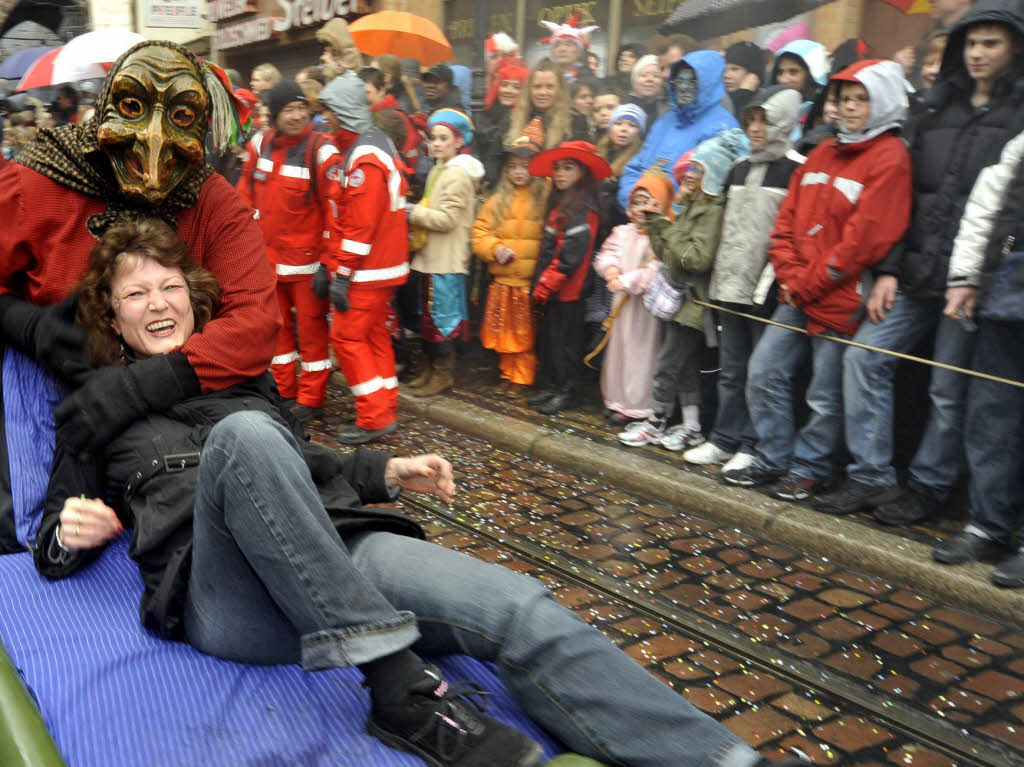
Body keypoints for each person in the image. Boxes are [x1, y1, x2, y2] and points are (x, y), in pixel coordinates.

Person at [29, 214, 800, 767]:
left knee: (519, 605)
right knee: (245, 439)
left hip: (338, 545)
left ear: (196, 299)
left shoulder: (243, 381)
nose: (159, 303)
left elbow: (302, 463)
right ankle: (398, 685)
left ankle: (720, 756)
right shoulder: (94, 410)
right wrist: (74, 529)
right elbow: (48, 546)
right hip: (223, 594)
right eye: (136, 295)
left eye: (170, 286)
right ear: (113, 315)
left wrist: (382, 472)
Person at [0, 41, 277, 554]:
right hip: (57, 417)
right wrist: (27, 325)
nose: (152, 141)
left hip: (187, 418)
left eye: (179, 116)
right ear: (107, 107)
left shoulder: (212, 200)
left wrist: (143, 385)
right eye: (132, 108)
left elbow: (256, 321)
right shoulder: (35, 184)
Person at [817, 2, 1024, 520]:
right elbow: (903, 198)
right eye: (971, 42)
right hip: (914, 270)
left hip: (972, 278)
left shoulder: (1019, 113)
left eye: (991, 43)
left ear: (1014, 47)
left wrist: (978, 277)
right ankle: (872, 476)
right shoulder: (934, 108)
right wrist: (888, 268)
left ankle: (930, 485)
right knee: (865, 357)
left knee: (947, 388)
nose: (978, 53)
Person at [727, 59, 913, 502]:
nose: (849, 108)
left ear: (881, 101)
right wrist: (791, 275)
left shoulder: (891, 157)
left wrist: (806, 282)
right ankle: (773, 457)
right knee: (763, 372)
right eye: (844, 99)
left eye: (860, 99)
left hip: (840, 294)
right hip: (799, 289)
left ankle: (811, 468)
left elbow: (863, 240)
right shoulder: (823, 150)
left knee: (824, 394)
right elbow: (786, 221)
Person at [682, 87, 804, 473]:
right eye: (751, 119)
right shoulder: (738, 169)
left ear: (782, 122)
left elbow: (788, 233)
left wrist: (769, 283)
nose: (755, 128)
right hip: (730, 286)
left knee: (759, 372)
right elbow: (729, 231)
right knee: (731, 369)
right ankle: (724, 438)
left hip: (764, 290)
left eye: (765, 120)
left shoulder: (793, 171)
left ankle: (753, 444)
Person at [934, 126, 1024, 581]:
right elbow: (986, 209)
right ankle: (988, 524)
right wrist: (966, 276)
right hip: (1009, 291)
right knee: (991, 415)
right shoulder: (1020, 146)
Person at [621, 130, 747, 450]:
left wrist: (670, 233)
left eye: (698, 170)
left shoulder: (712, 211)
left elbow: (696, 258)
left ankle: (656, 420)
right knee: (685, 366)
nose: (690, 175)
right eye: (691, 168)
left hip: (694, 301)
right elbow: (669, 254)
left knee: (668, 363)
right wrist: (658, 226)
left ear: (713, 175)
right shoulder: (692, 205)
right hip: (680, 298)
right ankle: (691, 426)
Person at [236, 80, 341, 424]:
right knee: (276, 330)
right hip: (268, 263)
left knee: (312, 336)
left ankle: (312, 398)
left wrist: (328, 264)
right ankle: (284, 392)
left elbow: (335, 211)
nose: (297, 116)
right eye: (289, 110)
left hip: (307, 266)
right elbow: (244, 197)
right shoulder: (258, 145)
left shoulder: (322, 151)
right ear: (276, 114)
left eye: (301, 109)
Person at [318, 83, 412, 444]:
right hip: (379, 268)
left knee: (346, 337)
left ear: (343, 111)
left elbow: (360, 226)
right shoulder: (369, 149)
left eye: (330, 110)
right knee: (373, 336)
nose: (325, 117)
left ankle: (374, 416)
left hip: (367, 270)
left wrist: (342, 274)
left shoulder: (364, 158)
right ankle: (384, 402)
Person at [526, 141, 608, 415]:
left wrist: (546, 284)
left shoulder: (584, 209)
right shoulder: (560, 203)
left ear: (582, 172)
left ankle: (567, 391)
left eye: (567, 168)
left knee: (567, 342)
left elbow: (571, 257)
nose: (559, 173)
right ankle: (553, 385)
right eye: (557, 168)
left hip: (569, 291)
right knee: (550, 339)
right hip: (552, 289)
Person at [406, 109, 484, 397]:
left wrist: (413, 213)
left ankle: (443, 374)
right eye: (433, 138)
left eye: (443, 138)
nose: (436, 144)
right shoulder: (439, 170)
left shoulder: (458, 175)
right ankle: (429, 368)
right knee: (428, 317)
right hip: (431, 258)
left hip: (446, 260)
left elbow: (448, 219)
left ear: (458, 141)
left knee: (443, 319)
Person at [594, 172, 672, 425]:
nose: (642, 209)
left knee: (642, 354)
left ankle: (639, 405)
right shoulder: (621, 232)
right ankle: (617, 400)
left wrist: (626, 282)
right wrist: (611, 270)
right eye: (637, 203)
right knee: (620, 351)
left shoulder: (661, 237)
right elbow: (608, 254)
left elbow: (655, 271)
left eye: (650, 203)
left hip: (646, 309)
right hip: (622, 306)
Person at [619, 50, 738, 213]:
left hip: (678, 228)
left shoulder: (723, 127)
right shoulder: (666, 121)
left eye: (692, 82)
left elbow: (707, 188)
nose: (683, 87)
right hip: (643, 219)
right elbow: (635, 168)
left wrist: (662, 210)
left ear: (707, 84)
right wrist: (632, 201)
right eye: (679, 81)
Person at [471, 137, 546, 392]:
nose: (518, 172)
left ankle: (522, 377)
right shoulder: (497, 200)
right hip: (502, 280)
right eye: (513, 166)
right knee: (502, 330)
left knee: (523, 333)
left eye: (525, 166)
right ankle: (507, 373)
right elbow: (479, 233)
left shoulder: (543, 198)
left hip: (526, 281)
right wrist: (495, 249)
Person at [505, 58, 591, 150]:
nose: (543, 92)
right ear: (529, 89)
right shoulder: (512, 118)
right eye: (537, 87)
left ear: (560, 89)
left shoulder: (576, 120)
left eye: (550, 87)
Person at [477, 57, 530, 182]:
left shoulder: (526, 120)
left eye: (516, 87)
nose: (508, 91)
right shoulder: (486, 114)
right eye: (504, 84)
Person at [597, 103, 646, 233]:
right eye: (618, 123)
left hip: (616, 227)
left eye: (632, 125)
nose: (624, 129)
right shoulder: (598, 153)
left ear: (639, 132)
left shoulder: (639, 163)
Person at [768, 40, 830, 139]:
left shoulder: (826, 113)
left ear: (811, 75)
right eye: (780, 72)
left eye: (793, 72)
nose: (784, 79)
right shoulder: (769, 106)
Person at [540, 9, 598, 83]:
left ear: (577, 50)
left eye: (568, 45)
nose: (562, 49)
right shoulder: (544, 79)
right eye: (557, 45)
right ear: (553, 51)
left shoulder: (589, 81)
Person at [723, 41, 766, 114]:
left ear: (753, 74)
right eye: (724, 69)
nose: (726, 75)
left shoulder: (765, 102)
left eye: (734, 69)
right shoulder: (719, 99)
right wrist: (742, 93)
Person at [316, 17, 363, 82]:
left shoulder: (350, 53)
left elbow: (343, 78)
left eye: (328, 43)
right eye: (323, 44)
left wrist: (330, 61)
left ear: (337, 40)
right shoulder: (334, 56)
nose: (325, 48)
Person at [627, 54, 668, 127]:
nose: (649, 79)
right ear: (634, 80)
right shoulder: (623, 106)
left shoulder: (668, 112)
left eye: (656, 76)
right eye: (644, 75)